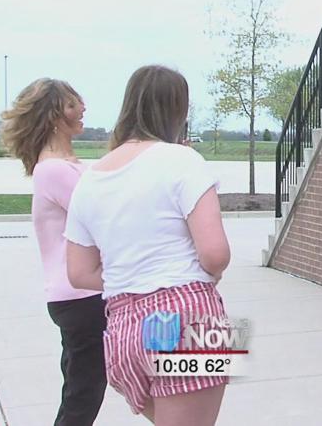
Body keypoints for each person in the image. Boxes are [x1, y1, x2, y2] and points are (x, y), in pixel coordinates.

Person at [64, 65, 231, 425]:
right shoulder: (182, 160)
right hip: (188, 316)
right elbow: (215, 253)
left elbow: (79, 272)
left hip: (122, 328)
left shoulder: (91, 178)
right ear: (178, 111)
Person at [0, 79, 107, 426]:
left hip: (84, 295)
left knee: (81, 392)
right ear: (54, 116)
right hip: (81, 296)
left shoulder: (69, 166)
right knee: (83, 396)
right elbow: (105, 214)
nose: (83, 108)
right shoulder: (53, 170)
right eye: (74, 104)